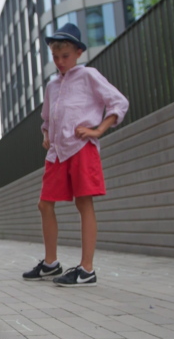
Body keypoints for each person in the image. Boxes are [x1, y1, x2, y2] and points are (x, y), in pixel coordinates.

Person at [23, 22, 128, 286]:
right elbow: (46, 119)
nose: (59, 61)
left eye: (65, 56)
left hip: (82, 148)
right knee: (44, 204)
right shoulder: (52, 86)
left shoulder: (88, 75)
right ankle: (50, 264)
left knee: (84, 204)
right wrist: (46, 135)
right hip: (57, 153)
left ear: (78, 52)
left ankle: (87, 269)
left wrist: (99, 129)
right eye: (55, 57)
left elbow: (118, 102)